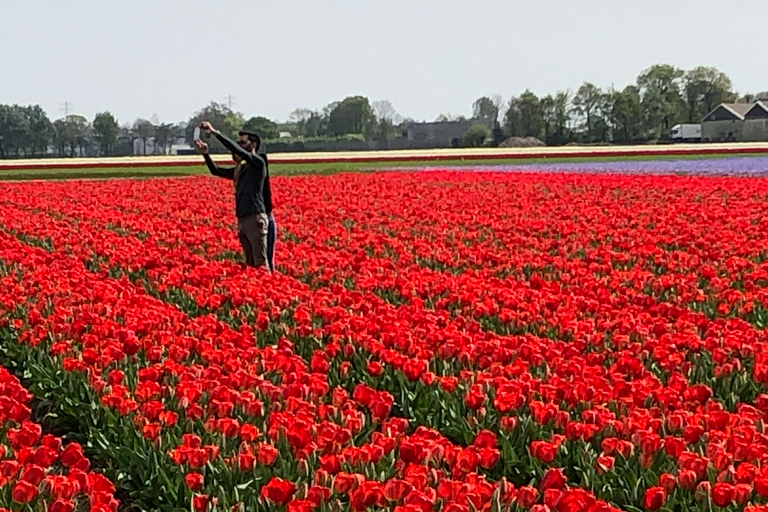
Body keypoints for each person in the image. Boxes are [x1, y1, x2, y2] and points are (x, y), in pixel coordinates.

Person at [195, 122, 269, 270]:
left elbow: (235, 150)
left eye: (243, 142)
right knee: (250, 262)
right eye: (238, 143)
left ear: (253, 144)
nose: (238, 146)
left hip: (255, 217)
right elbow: (216, 171)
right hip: (242, 218)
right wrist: (205, 154)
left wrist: (215, 132)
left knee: (260, 262)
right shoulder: (240, 168)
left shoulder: (258, 163)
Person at [258, 143, 277, 272]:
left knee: (265, 260)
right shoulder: (243, 170)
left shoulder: (259, 164)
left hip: (264, 217)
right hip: (261, 217)